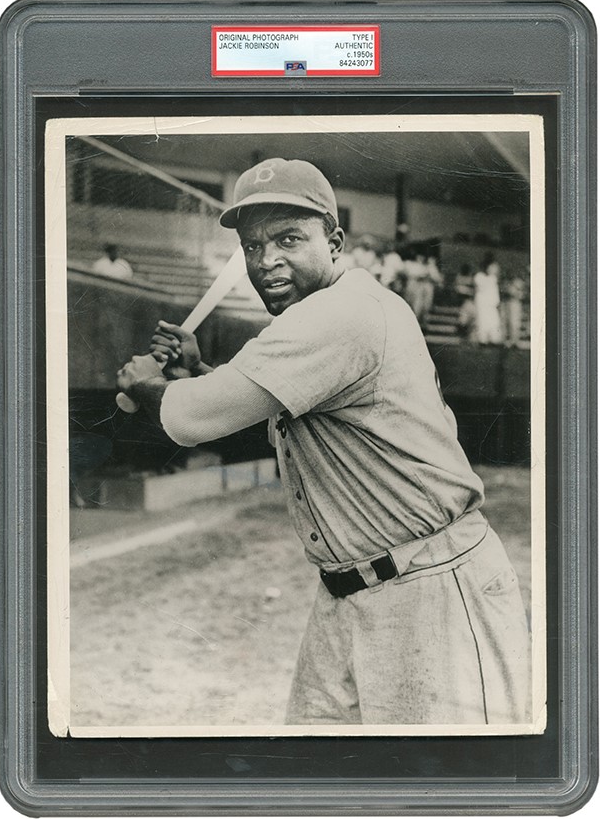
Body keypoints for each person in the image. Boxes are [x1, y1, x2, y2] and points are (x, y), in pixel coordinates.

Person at [117, 158, 530, 726]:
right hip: (349, 594)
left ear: (334, 242)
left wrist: (149, 386)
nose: (267, 262)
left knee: (437, 796)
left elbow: (191, 420)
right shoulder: (325, 314)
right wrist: (199, 371)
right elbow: (273, 410)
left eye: (289, 238)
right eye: (253, 246)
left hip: (433, 591)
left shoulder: (341, 315)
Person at [473, 254, 502, 345]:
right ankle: (483, 340)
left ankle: (494, 339)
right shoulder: (479, 276)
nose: (495, 269)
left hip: (492, 306)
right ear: (488, 267)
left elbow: (495, 294)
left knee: (494, 322)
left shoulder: (493, 279)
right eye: (493, 267)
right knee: (483, 322)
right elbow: (481, 289)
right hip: (483, 305)